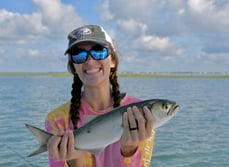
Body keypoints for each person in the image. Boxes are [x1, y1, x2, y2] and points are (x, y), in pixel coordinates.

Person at [45, 25, 156, 167]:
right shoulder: (57, 119)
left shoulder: (140, 113)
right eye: (79, 54)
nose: (90, 61)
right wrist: (74, 161)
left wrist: (129, 150)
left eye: (98, 52)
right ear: (73, 67)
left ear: (113, 61)